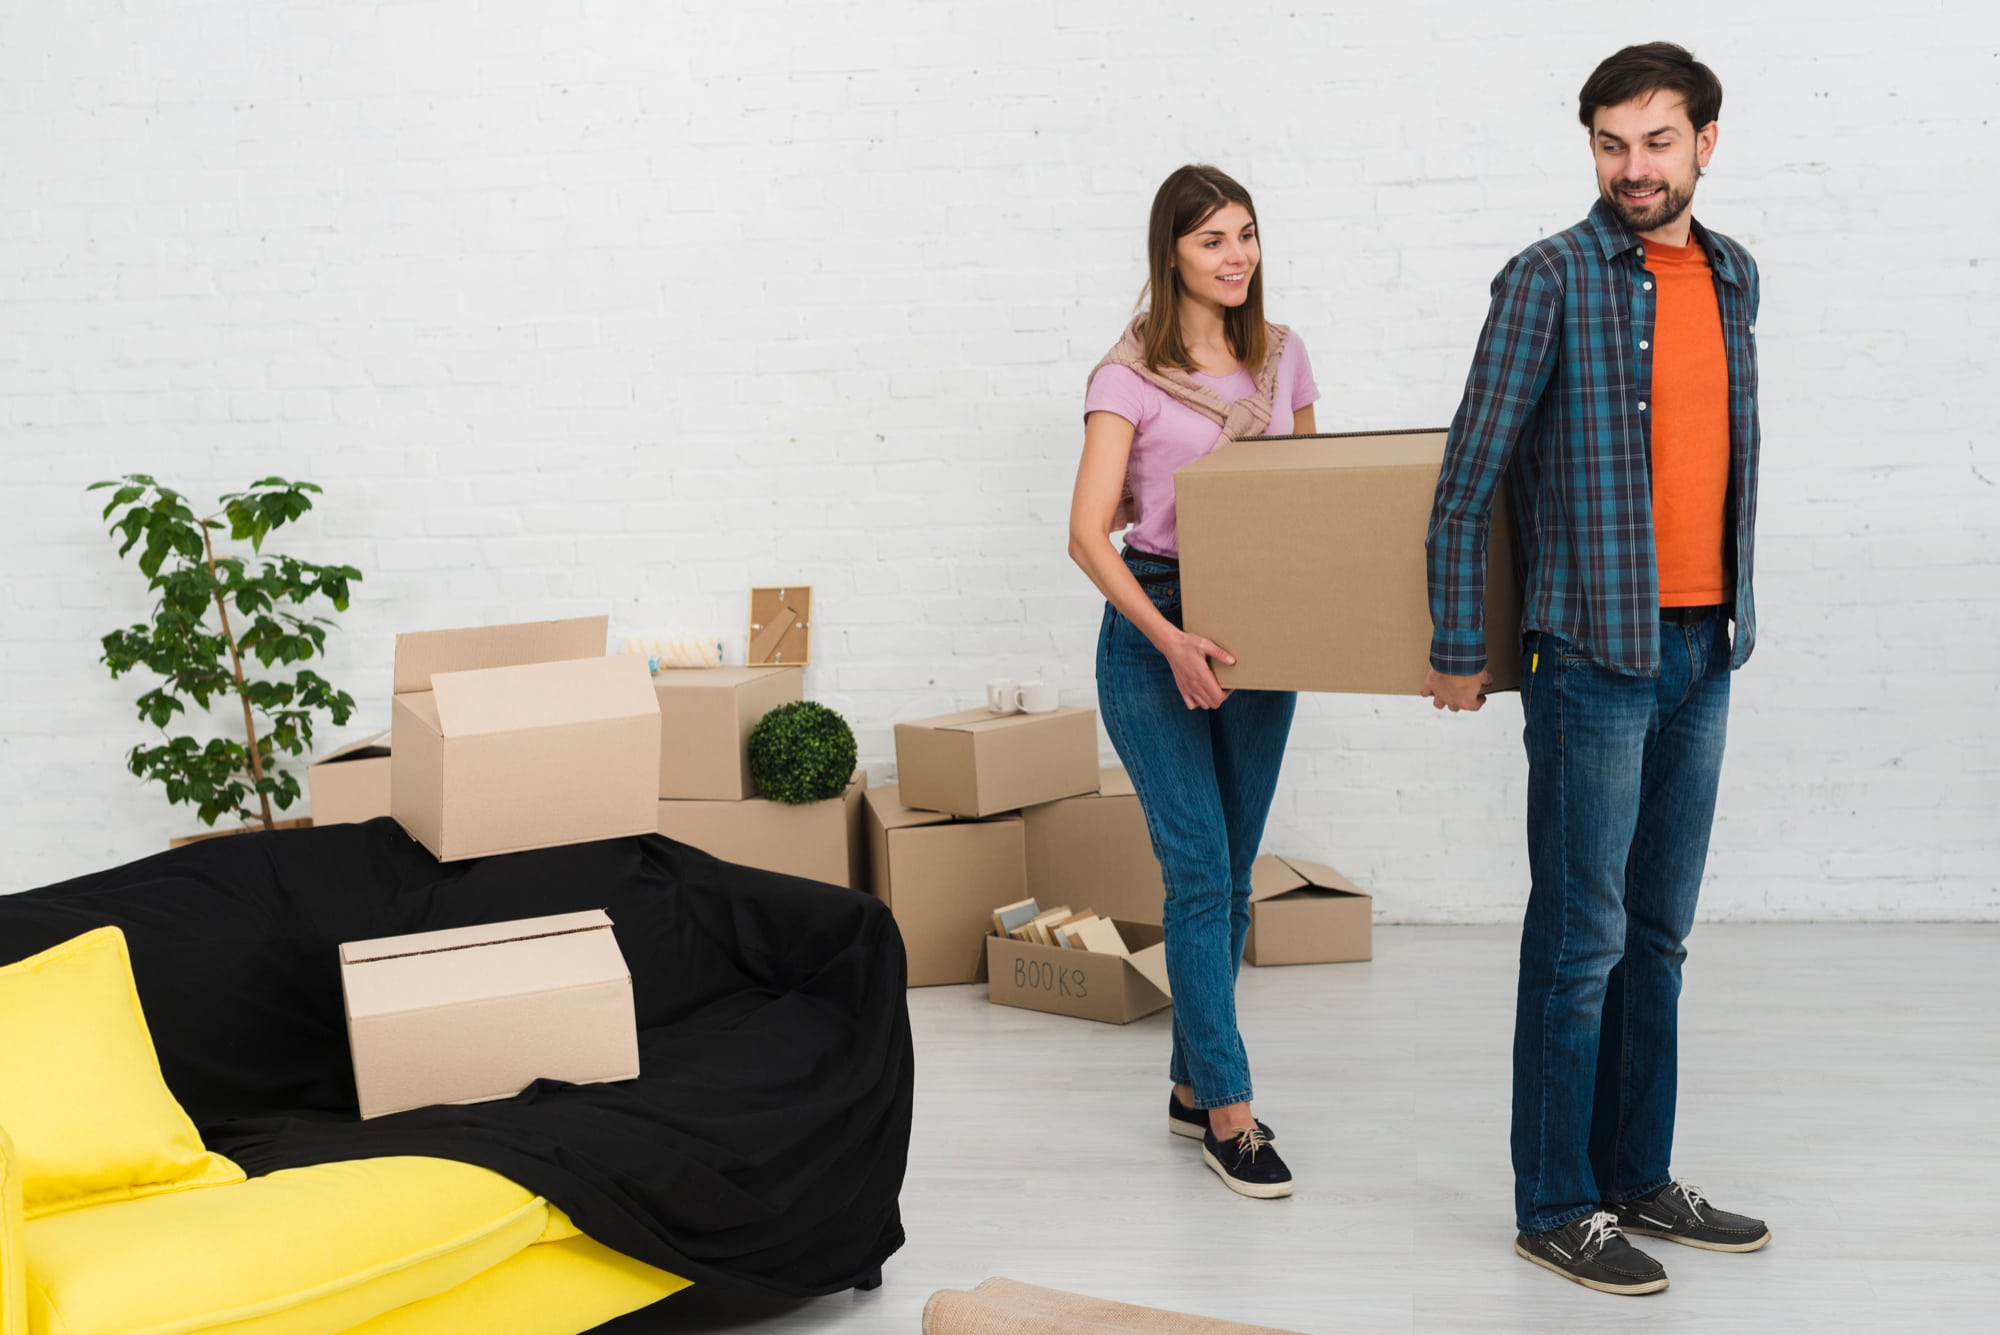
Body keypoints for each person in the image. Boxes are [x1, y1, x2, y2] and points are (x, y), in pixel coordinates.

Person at [1423, 43, 1772, 1293]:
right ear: (1590, 150)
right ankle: (1554, 1200)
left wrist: (1724, 614)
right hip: (1590, 654)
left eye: (1657, 142)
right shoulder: (1546, 279)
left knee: (1659, 936)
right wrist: (1458, 648)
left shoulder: (1729, 274)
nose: (1634, 167)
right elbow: (1465, 485)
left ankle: (1634, 1174)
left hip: (1702, 643)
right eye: (1611, 144)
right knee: (1581, 939)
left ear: (1704, 143)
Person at [1068, 163, 1318, 1200]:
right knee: (1199, 876)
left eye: (1247, 235)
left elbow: (1314, 501)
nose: (1236, 256)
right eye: (1213, 238)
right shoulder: (1124, 376)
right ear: (1169, 251)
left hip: (1259, 633)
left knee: (1233, 872)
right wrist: (1169, 638)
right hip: (1152, 631)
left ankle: (1185, 1087)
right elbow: (1087, 536)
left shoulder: (1283, 358)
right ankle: (1227, 1113)